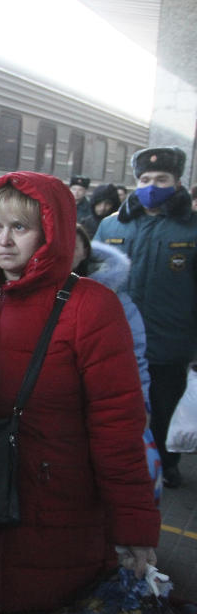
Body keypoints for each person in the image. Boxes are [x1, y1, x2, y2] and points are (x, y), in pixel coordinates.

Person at [0, 171, 160, 614]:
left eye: (20, 227)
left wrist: (133, 526)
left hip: (55, 514)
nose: (4, 240)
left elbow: (118, 427)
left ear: (51, 231)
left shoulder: (91, 306)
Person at [96, 146, 197, 489]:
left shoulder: (191, 230)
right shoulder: (111, 225)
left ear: (177, 182)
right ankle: (122, 464)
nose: (152, 185)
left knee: (164, 407)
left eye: (161, 178)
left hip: (171, 340)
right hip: (116, 338)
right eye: (145, 179)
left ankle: (166, 463)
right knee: (118, 405)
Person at [73, 226, 163, 503]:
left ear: (85, 250)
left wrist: (142, 403)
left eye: (71, 244)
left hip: (100, 408)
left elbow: (135, 358)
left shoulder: (115, 300)